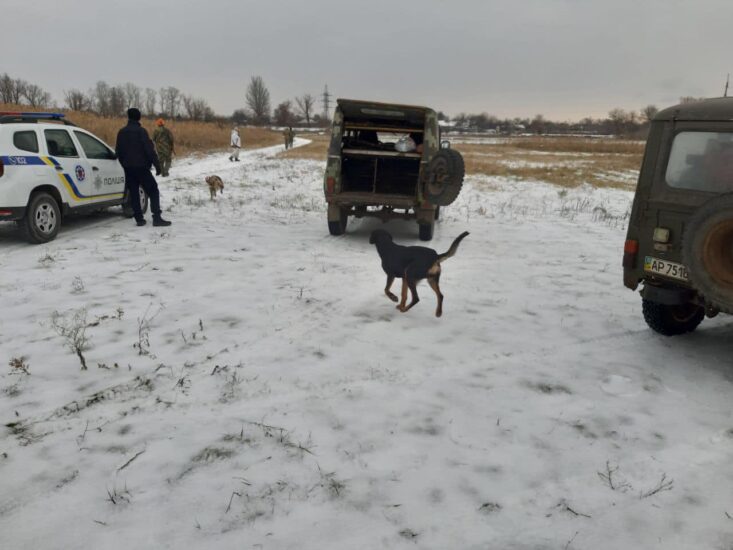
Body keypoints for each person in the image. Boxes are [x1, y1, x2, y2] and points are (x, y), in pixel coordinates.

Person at [116, 108, 172, 227]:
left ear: (128, 117)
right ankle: (156, 217)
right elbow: (149, 150)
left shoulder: (121, 132)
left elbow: (118, 151)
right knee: (153, 190)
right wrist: (157, 166)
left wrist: (125, 164)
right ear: (139, 117)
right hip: (141, 167)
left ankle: (139, 219)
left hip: (128, 168)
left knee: (134, 192)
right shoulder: (141, 132)